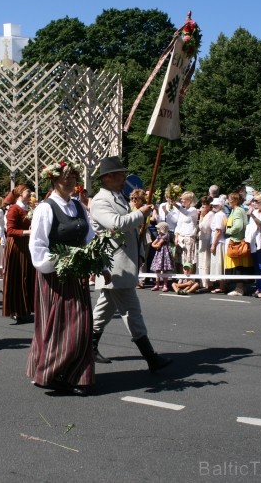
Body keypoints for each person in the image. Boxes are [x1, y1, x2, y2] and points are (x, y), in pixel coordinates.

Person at [89, 156, 171, 371]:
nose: (125, 177)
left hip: (122, 264)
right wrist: (139, 213)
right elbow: (116, 225)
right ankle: (150, 357)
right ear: (107, 178)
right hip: (114, 266)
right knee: (132, 312)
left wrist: (140, 253)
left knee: (104, 310)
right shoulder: (100, 200)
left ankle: (89, 346)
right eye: (120, 173)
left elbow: (132, 230)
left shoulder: (119, 197)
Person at [27, 160, 95, 396]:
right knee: (61, 327)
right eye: (64, 177)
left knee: (82, 324)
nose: (69, 180)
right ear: (54, 180)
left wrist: (98, 263)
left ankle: (74, 374)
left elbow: (89, 239)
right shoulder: (45, 208)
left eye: (73, 177)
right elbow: (37, 244)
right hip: (55, 276)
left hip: (77, 275)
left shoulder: (79, 207)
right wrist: (57, 263)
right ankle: (52, 373)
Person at [2, 184, 35, 324]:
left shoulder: (30, 208)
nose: (31, 193)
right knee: (18, 277)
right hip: (16, 246)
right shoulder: (14, 209)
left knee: (28, 276)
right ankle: (17, 310)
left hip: (27, 246)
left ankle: (26, 308)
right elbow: (10, 231)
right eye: (28, 191)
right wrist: (27, 232)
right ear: (21, 194)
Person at [224, 192, 251, 296]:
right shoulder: (235, 210)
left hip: (237, 242)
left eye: (230, 199)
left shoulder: (238, 211)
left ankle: (239, 288)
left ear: (234, 200)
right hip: (236, 240)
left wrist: (228, 231)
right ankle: (240, 287)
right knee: (238, 265)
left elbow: (238, 226)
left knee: (238, 266)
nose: (228, 201)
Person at [245, 191, 261, 298]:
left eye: (256, 201)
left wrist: (252, 216)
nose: (254, 203)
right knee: (256, 266)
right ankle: (258, 287)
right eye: (253, 201)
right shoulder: (255, 211)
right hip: (253, 241)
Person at [209, 197, 227, 294]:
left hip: (219, 242)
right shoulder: (221, 214)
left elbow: (218, 230)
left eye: (216, 205)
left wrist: (213, 244)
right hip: (219, 241)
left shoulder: (219, 215)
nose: (213, 206)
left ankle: (222, 285)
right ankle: (221, 284)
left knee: (219, 263)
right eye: (213, 205)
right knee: (219, 263)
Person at [150, 221, 173, 292]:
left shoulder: (165, 236)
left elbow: (159, 244)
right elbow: (153, 244)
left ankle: (165, 284)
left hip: (164, 253)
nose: (157, 230)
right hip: (159, 253)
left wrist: (155, 245)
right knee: (158, 269)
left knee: (164, 269)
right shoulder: (159, 236)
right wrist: (155, 245)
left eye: (158, 229)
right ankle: (157, 284)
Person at [197, 196, 213, 290]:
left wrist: (201, 216)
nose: (203, 206)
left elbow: (203, 227)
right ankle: (202, 282)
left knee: (206, 260)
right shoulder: (207, 214)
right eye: (202, 204)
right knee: (202, 259)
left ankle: (207, 283)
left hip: (206, 239)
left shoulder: (210, 214)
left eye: (205, 205)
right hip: (202, 238)